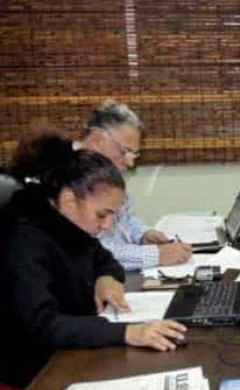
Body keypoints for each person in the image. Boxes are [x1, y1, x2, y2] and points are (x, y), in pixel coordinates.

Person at [0, 133, 187, 390]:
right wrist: (127, 332)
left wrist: (106, 278)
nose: (107, 225)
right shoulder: (23, 240)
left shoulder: (68, 225)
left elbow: (106, 259)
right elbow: (42, 325)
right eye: (102, 214)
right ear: (69, 201)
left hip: (74, 349)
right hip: (35, 374)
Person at [78, 99, 192, 270]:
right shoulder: (71, 181)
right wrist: (157, 255)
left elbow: (126, 219)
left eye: (134, 154)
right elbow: (95, 251)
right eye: (125, 151)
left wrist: (143, 235)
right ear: (96, 140)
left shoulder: (108, 174)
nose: (130, 163)